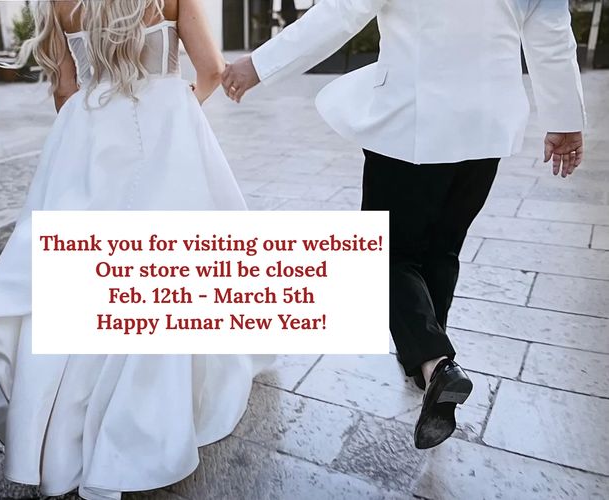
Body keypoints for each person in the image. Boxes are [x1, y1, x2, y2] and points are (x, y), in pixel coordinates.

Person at [222, 0, 585, 449]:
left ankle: (435, 363)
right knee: (442, 248)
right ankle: (425, 368)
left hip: (414, 116)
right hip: (488, 123)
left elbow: (341, 12)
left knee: (385, 254)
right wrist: (566, 120)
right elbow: (552, 33)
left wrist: (258, 65)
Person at [0, 1, 273, 498]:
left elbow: (65, 91)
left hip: (87, 136)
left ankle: (56, 433)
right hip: (166, 132)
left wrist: (93, 128)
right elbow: (212, 70)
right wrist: (177, 111)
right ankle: (140, 429)